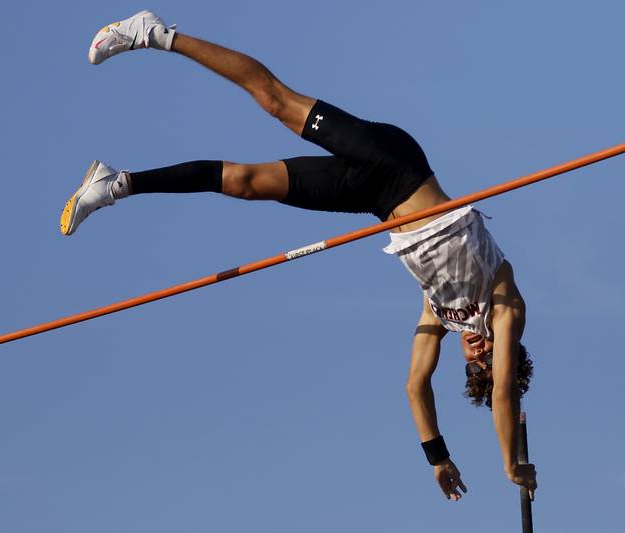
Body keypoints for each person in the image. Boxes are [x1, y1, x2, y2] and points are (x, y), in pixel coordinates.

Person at [60, 10, 537, 502]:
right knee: (274, 100)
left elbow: (416, 386)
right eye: (491, 360)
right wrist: (511, 463)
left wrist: (437, 457)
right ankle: (153, 33)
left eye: (473, 365)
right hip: (396, 164)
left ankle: (117, 184)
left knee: (246, 184)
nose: (480, 355)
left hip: (374, 198)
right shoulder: (505, 302)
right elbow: (504, 391)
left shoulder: (439, 312)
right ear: (507, 351)